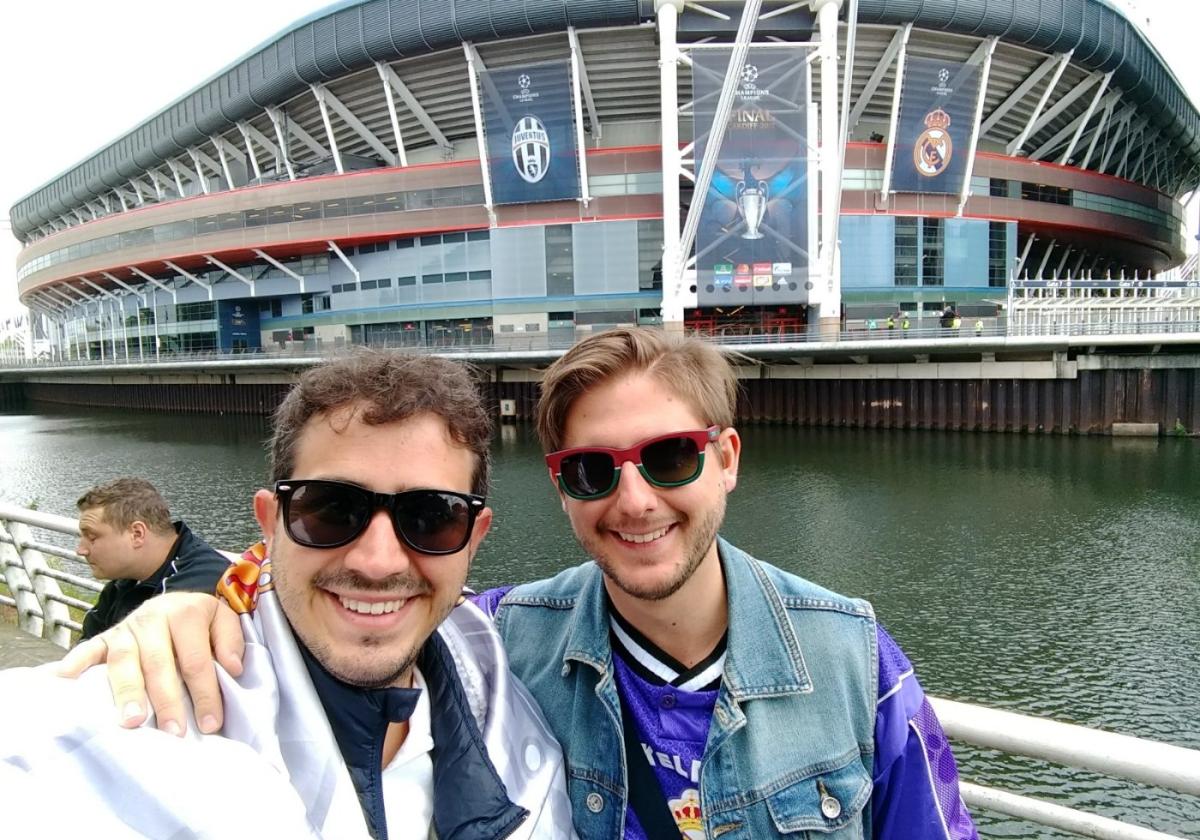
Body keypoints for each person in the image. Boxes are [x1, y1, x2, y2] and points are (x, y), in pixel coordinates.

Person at [66, 330, 977, 839]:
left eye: (668, 459)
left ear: (727, 458)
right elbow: (362, 601)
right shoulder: (498, 641)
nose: (633, 500)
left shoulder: (855, 661)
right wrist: (192, 604)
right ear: (559, 487)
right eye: (591, 471)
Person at [1, 352, 574, 839]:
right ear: (270, 524)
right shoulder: (139, 721)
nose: (378, 561)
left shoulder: (502, 663)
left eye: (431, 518)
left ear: (472, 541)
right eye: (330, 510)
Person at [75, 477, 231, 639]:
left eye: (92, 537)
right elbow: (88, 641)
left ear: (137, 534)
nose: (81, 550)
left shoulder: (202, 581)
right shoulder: (127, 579)